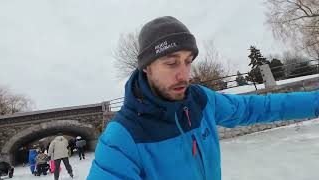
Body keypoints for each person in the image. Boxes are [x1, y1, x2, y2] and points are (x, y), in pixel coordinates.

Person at [87, 16, 319, 180]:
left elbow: (255, 107)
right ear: (146, 67)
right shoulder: (122, 138)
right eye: (171, 63)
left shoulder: (200, 100)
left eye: (188, 61)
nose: (184, 75)